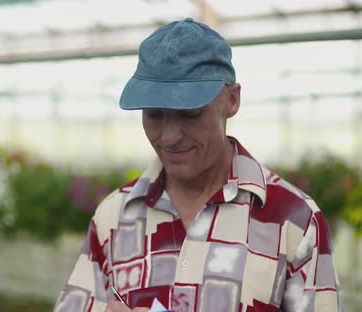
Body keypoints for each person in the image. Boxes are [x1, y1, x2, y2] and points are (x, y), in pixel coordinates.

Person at [53, 18, 344, 312]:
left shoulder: (293, 220)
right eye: (154, 115)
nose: (170, 137)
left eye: (190, 114)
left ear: (232, 100)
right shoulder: (114, 218)